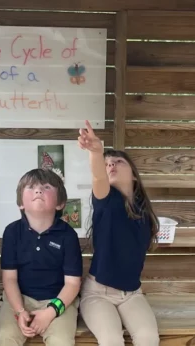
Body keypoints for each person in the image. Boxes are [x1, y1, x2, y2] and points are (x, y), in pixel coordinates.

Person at [77, 121, 161, 346]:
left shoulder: (144, 211)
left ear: (134, 175)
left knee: (148, 339)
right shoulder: (106, 200)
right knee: (112, 340)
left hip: (132, 294)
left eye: (118, 161)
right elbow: (98, 177)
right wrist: (96, 151)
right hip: (98, 294)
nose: (111, 165)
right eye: (107, 163)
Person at [0, 169, 82, 346]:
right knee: (5, 337)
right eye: (31, 187)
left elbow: (72, 283)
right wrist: (19, 312)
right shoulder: (12, 232)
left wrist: (50, 312)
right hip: (20, 299)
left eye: (46, 187)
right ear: (20, 203)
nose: (38, 191)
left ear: (60, 203)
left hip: (58, 300)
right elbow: (9, 279)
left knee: (61, 341)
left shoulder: (68, 235)